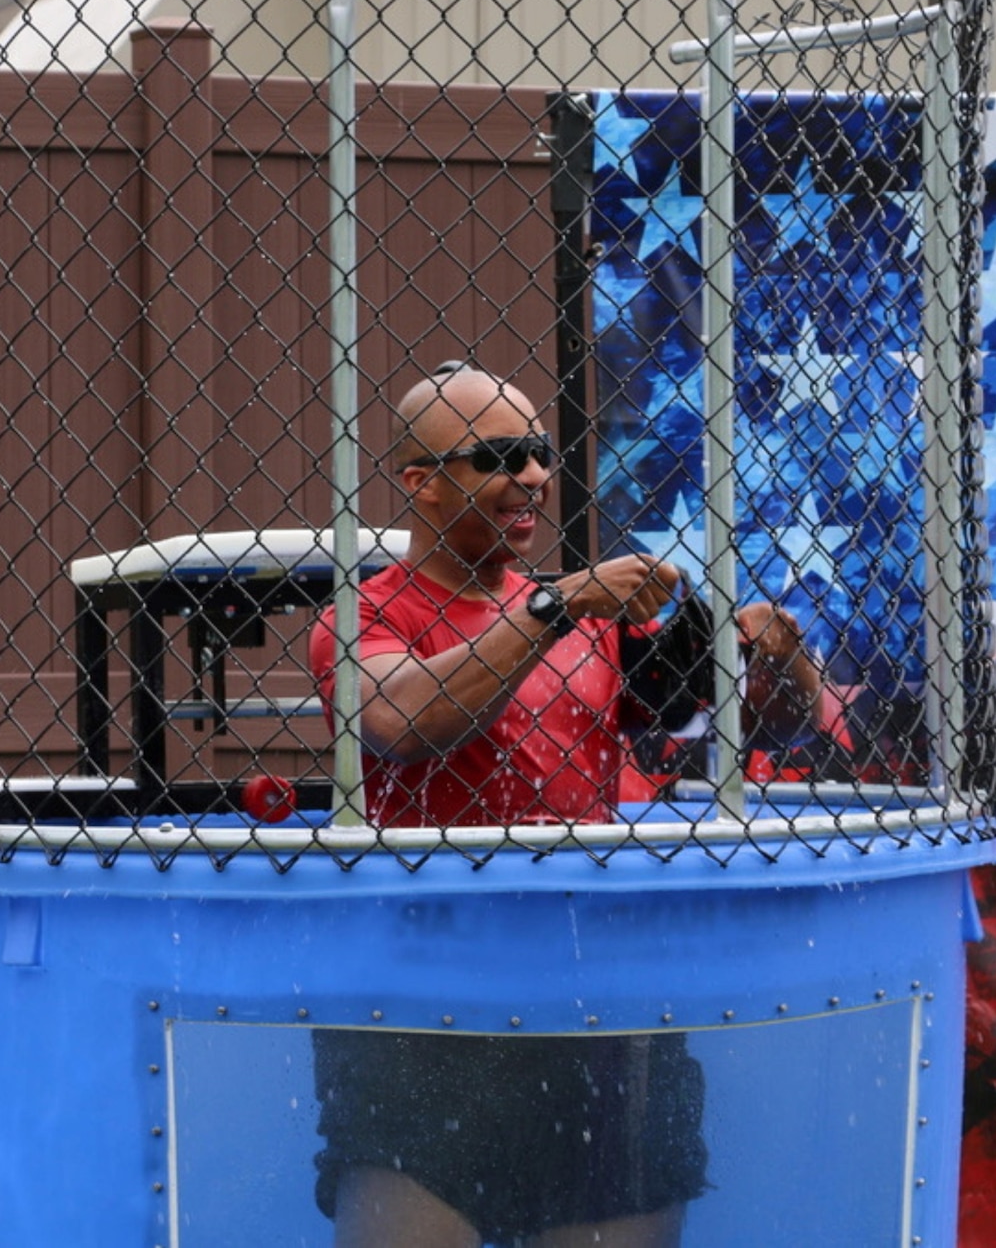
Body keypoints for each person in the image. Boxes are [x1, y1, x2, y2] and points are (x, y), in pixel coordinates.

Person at [304, 365, 817, 1247]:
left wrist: (779, 655)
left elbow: (783, 720)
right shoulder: (365, 617)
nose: (537, 476)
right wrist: (558, 602)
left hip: (598, 1010)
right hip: (426, 1019)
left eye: (540, 454)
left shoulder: (592, 624)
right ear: (420, 481)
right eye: (502, 458)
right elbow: (405, 721)